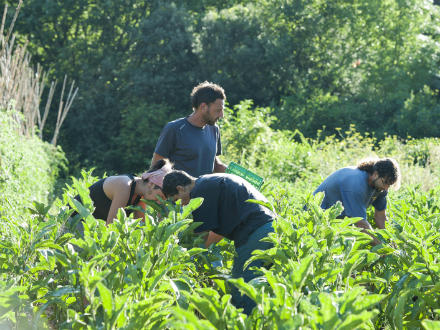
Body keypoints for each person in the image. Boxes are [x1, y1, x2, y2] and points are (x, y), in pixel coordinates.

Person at [162, 170, 275, 314]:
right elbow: (216, 232)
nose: (183, 205)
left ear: (180, 188)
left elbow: (209, 235)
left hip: (256, 231)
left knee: (242, 285)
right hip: (269, 227)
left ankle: (248, 323)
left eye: (178, 200)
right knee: (261, 283)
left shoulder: (200, 193)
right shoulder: (208, 181)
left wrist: (192, 257)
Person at [313, 158, 401, 244]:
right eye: (384, 182)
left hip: (337, 222)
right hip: (316, 219)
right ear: (375, 174)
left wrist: (390, 240)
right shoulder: (356, 184)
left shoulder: (380, 187)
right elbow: (361, 224)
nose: (386, 188)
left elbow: (380, 217)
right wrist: (381, 246)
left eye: (389, 185)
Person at [151, 81, 227, 177]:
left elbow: (215, 165)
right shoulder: (174, 129)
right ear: (203, 107)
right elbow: (156, 168)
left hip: (205, 191)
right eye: (218, 110)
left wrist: (241, 178)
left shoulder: (214, 130)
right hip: (179, 191)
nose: (222, 115)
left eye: (222, 110)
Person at [71, 159, 172, 226]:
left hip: (91, 226)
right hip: (74, 222)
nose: (160, 201)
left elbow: (141, 226)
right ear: (151, 184)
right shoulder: (125, 186)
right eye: (161, 196)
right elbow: (111, 226)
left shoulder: (141, 196)